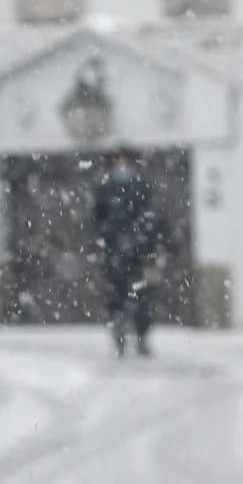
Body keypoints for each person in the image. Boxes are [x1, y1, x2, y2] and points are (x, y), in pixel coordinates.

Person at [92, 150, 165, 358]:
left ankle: (142, 336)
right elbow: (97, 218)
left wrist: (149, 244)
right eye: (119, 161)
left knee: (143, 297)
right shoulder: (105, 188)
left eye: (127, 161)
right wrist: (103, 242)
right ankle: (119, 337)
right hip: (114, 250)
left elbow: (152, 217)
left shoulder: (143, 186)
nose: (123, 165)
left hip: (141, 252)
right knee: (116, 296)